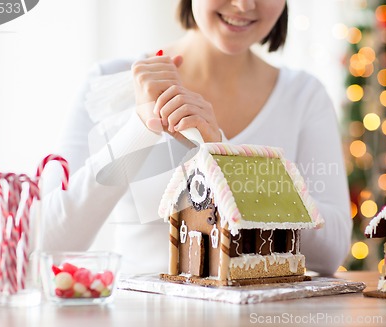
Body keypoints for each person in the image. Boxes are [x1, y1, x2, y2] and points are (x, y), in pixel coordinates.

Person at [41, 0, 352, 276]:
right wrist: (140, 128)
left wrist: (224, 154)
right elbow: (49, 243)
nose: (244, 5)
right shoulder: (108, 85)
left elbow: (330, 252)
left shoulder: (303, 97)